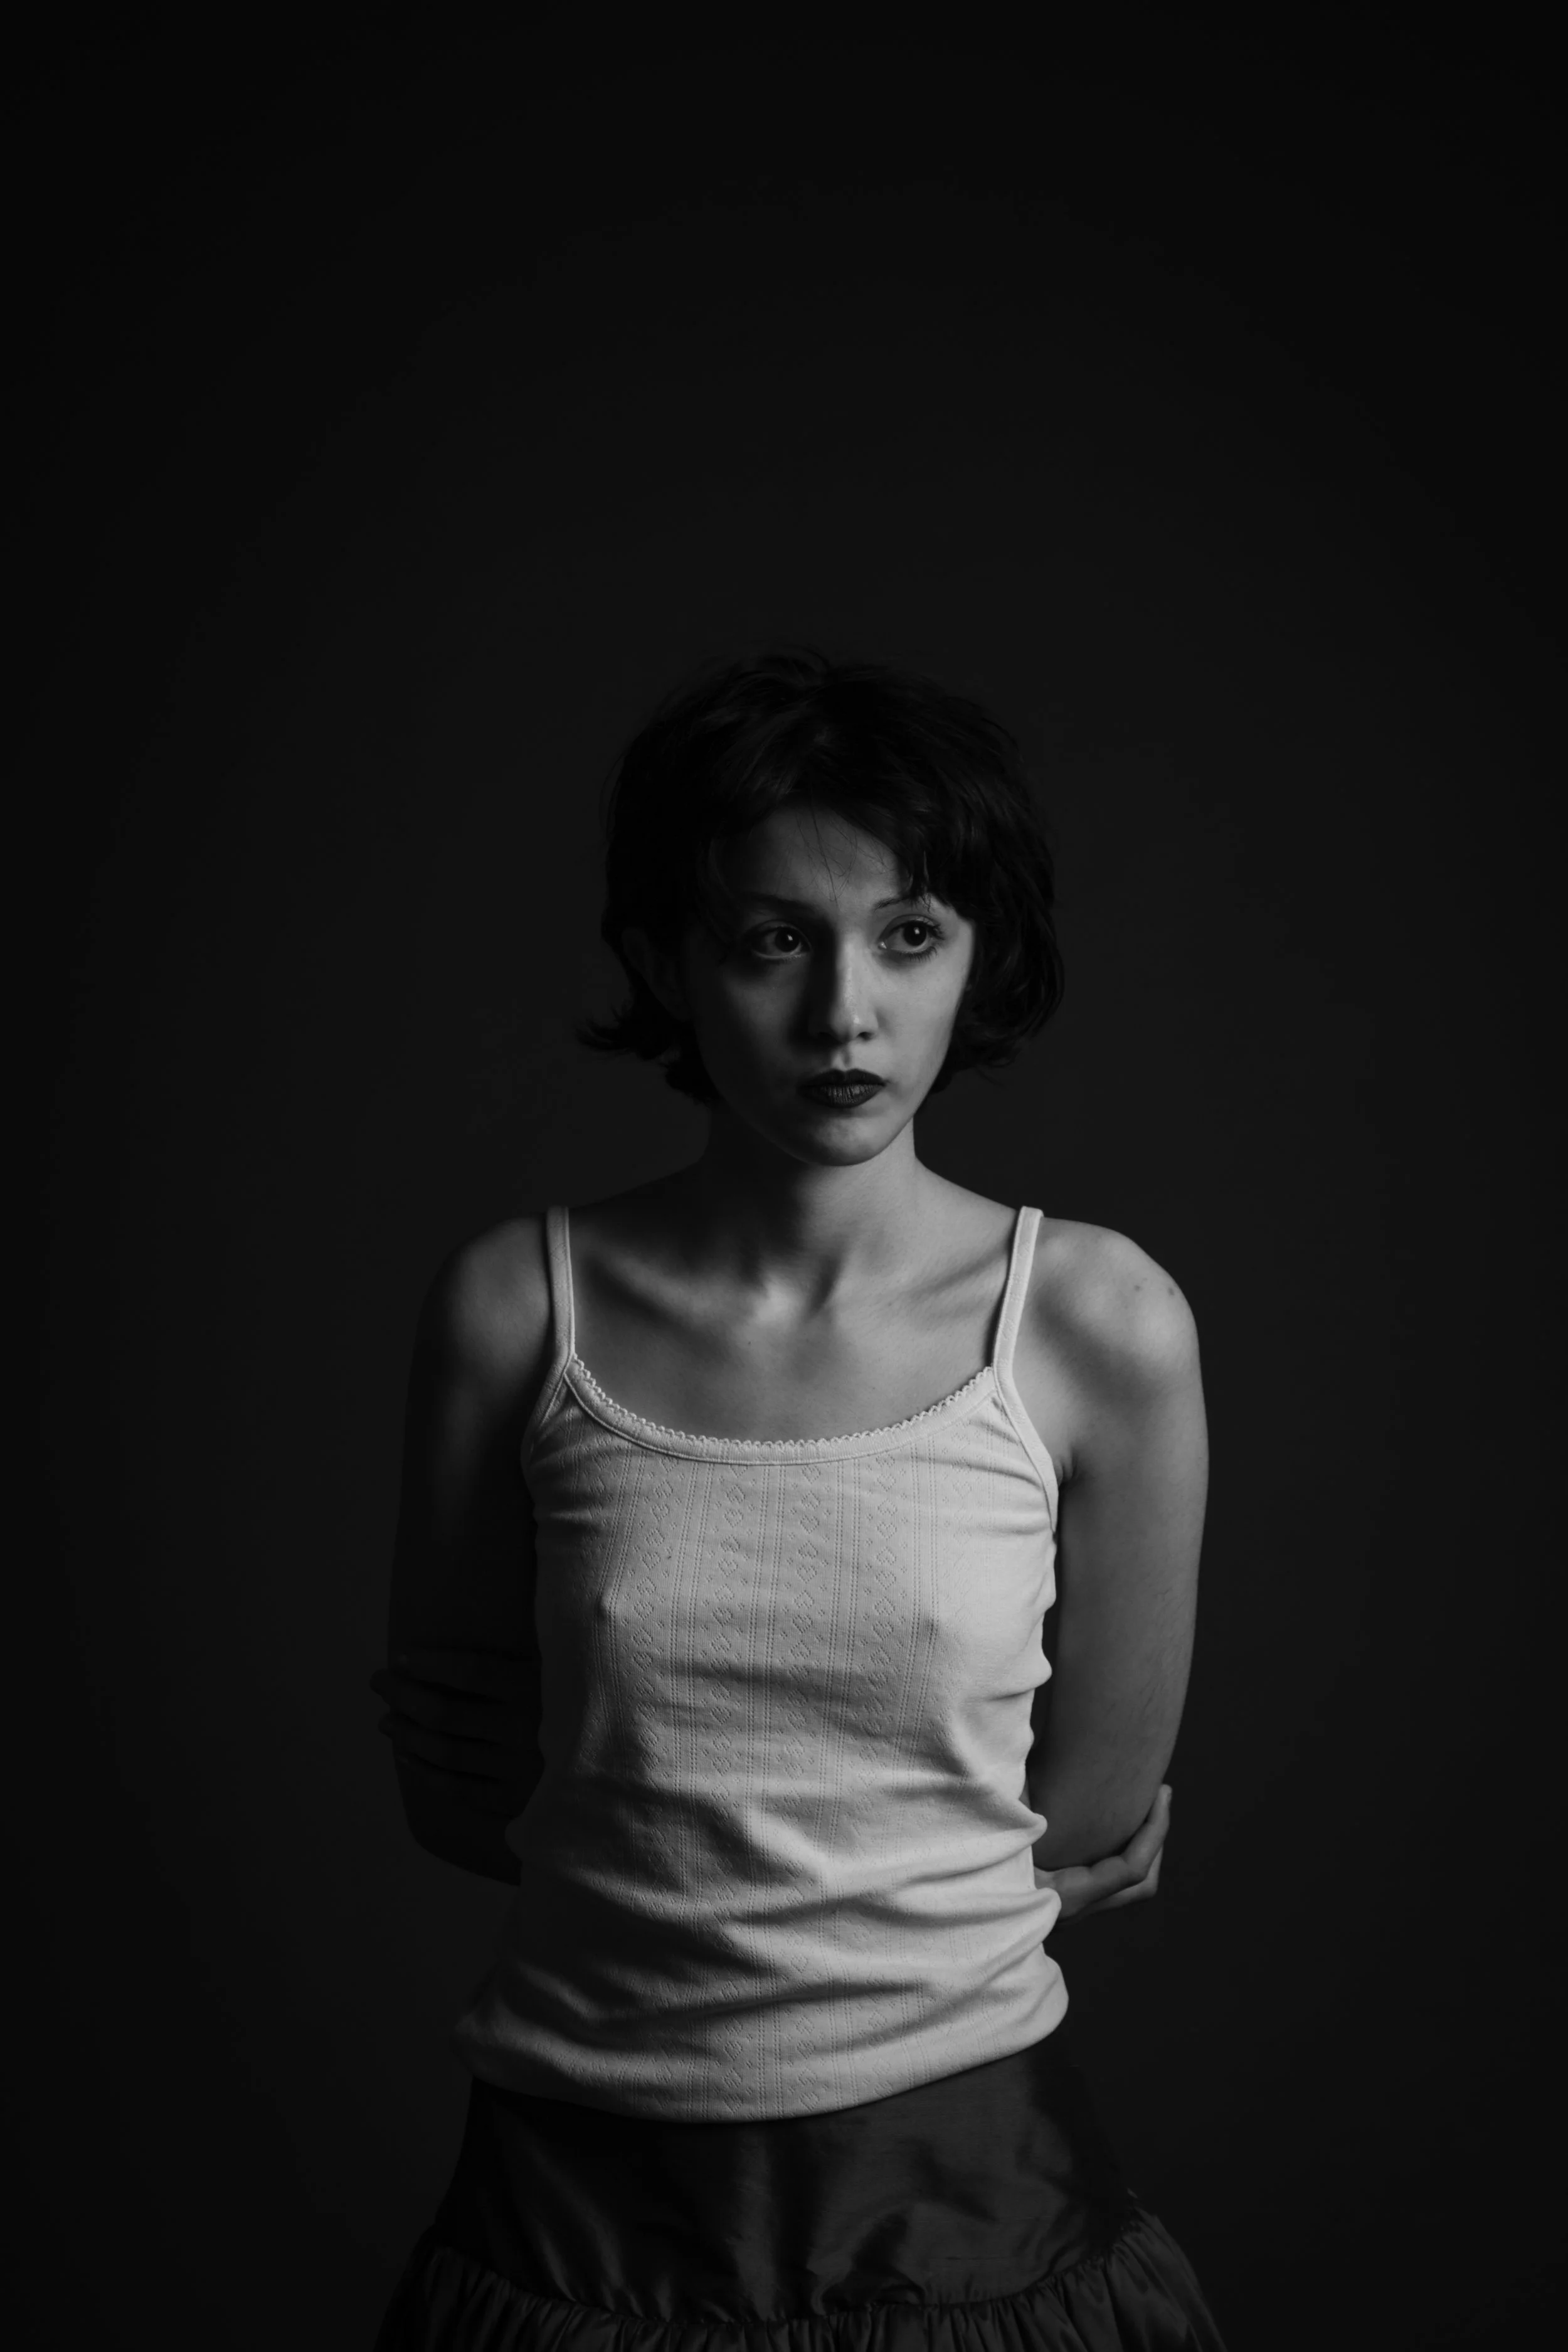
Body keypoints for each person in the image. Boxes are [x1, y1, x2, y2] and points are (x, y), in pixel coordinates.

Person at [368, 647, 1228, 2348]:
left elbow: (1079, 1825)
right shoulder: (509, 1308)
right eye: (773, 938)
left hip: (971, 2205)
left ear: (976, 955)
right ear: (664, 962)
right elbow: (468, 1795)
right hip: (571, 2215)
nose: (844, 1010)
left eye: (908, 934)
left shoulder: (1097, 1322)